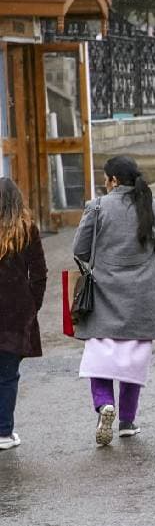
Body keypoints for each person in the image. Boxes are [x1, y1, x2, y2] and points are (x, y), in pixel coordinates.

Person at [72, 156, 155, 446]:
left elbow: (79, 249)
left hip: (104, 293)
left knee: (100, 357)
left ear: (113, 180)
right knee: (133, 360)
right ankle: (127, 421)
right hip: (143, 297)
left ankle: (104, 404)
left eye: (105, 179)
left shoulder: (98, 207)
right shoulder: (154, 207)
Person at [0, 179, 47, 450]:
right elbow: (39, 274)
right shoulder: (27, 229)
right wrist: (32, 306)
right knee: (7, 374)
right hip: (16, 312)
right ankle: (4, 432)